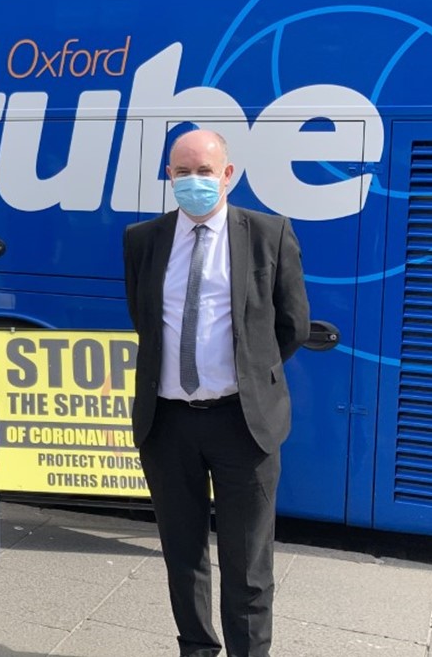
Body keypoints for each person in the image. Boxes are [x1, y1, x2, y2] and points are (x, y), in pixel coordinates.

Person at [122, 129, 309, 657]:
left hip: (243, 423)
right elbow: (145, 319)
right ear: (168, 175)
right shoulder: (143, 240)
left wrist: (246, 376)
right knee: (183, 558)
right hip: (168, 424)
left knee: (248, 565)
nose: (194, 181)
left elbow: (292, 325)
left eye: (205, 171)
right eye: (183, 172)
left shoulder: (269, 234)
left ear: (228, 174)